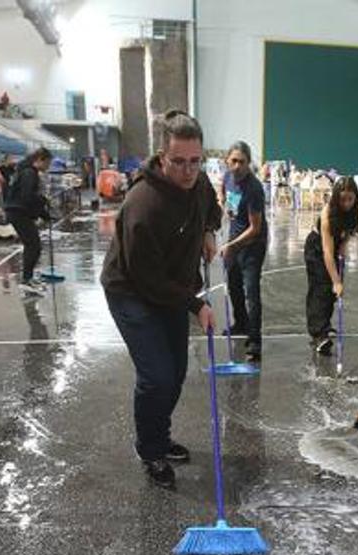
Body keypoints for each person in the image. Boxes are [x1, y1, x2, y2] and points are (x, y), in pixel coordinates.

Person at [101, 110, 221, 488]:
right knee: (156, 376)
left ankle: (159, 434)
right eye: (178, 162)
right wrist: (197, 304)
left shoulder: (199, 184)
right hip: (132, 291)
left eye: (195, 162)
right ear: (161, 156)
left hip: (173, 286)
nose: (188, 171)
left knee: (177, 373)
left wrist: (208, 230)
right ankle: (150, 448)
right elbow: (147, 279)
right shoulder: (143, 204)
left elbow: (210, 207)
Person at [218, 141, 267, 362]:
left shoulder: (254, 188)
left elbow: (255, 228)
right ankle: (240, 323)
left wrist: (231, 246)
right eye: (233, 161)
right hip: (234, 238)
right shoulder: (228, 177)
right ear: (227, 161)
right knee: (234, 285)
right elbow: (223, 192)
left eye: (242, 162)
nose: (237, 166)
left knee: (251, 293)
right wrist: (224, 204)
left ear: (249, 163)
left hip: (253, 244)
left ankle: (254, 343)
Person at [304, 176, 358, 354]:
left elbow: (348, 231)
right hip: (317, 248)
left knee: (332, 292)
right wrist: (336, 280)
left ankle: (325, 325)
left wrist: (343, 246)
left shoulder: (356, 209)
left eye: (350, 199)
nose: (346, 203)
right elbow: (327, 253)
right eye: (342, 199)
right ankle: (318, 334)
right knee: (321, 288)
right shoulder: (328, 214)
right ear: (336, 197)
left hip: (335, 244)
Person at [4, 146, 53, 297]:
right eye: (47, 163)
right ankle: (26, 280)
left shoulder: (26, 171)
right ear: (39, 160)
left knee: (33, 245)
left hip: (19, 212)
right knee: (33, 245)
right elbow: (28, 197)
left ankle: (28, 278)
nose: (48, 167)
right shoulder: (29, 173)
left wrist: (45, 214)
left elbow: (30, 198)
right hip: (18, 213)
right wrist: (43, 201)